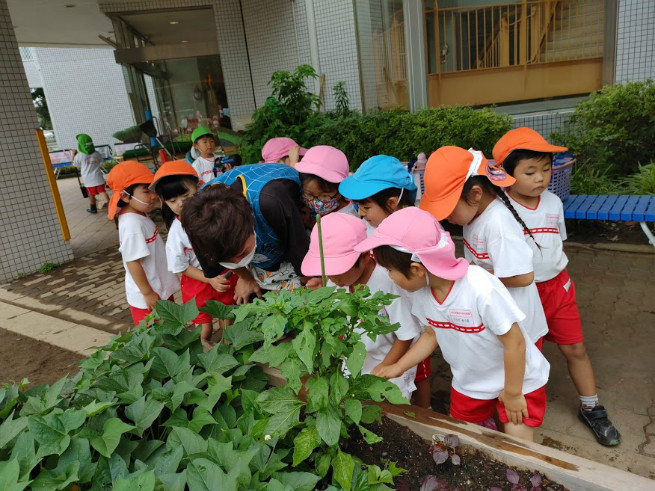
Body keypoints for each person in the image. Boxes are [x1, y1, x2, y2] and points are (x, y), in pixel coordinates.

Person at [359, 207, 550, 442]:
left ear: (417, 269)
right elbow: (430, 334)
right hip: (470, 382)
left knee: (519, 447)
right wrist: (399, 366)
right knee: (463, 439)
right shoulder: (421, 293)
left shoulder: (480, 287)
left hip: (518, 378)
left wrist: (512, 393)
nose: (388, 276)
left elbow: (515, 343)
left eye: (390, 270)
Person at [493, 127, 621, 447]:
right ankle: (515, 418)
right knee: (523, 356)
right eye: (530, 171)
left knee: (575, 348)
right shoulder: (499, 211)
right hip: (522, 295)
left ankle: (591, 407)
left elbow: (555, 247)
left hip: (558, 289)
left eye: (547, 169)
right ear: (508, 174)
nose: (541, 178)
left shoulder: (552, 203)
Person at [419, 146, 549, 348]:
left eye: (449, 209)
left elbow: (523, 277)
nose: (447, 218)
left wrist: (473, 275)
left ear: (476, 194)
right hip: (500, 318)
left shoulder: (498, 223)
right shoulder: (472, 217)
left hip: (521, 329)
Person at [339, 155, 433, 407]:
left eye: (366, 207)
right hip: (392, 309)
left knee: (420, 368)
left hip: (417, 310)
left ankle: (426, 411)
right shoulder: (373, 225)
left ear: (392, 202)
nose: (361, 213)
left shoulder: (417, 228)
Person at [301, 213, 421, 399]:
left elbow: (405, 335)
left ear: (365, 256)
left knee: (391, 413)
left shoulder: (388, 281)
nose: (333, 278)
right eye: (328, 272)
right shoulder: (334, 282)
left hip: (387, 365)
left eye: (338, 271)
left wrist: (383, 370)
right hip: (353, 363)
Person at [181, 163, 310, 302]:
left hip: (291, 219)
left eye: (243, 254)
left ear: (252, 222)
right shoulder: (198, 221)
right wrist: (245, 276)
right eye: (228, 261)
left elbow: (301, 255)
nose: (238, 262)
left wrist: (308, 286)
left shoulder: (272, 202)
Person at [150, 160, 238, 349]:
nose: (181, 203)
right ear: (163, 202)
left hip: (224, 276)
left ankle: (229, 348)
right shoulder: (176, 232)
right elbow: (180, 267)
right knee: (203, 327)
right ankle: (205, 352)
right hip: (198, 282)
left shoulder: (214, 212)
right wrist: (209, 279)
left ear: (198, 187)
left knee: (227, 315)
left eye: (186, 195)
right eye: (172, 201)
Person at [106, 161, 179, 326]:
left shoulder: (139, 215)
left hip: (159, 289)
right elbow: (133, 262)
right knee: (160, 341)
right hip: (150, 297)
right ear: (125, 196)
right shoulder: (132, 225)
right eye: (147, 191)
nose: (153, 195)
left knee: (172, 332)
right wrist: (147, 293)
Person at [295, 145, 358, 219]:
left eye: (324, 196)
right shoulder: (331, 212)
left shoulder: (346, 220)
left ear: (341, 189)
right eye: (309, 194)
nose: (316, 203)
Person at [72, 133, 110, 214]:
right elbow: (101, 161)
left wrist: (73, 154)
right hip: (98, 177)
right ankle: (110, 207)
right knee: (102, 191)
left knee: (91, 193)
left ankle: (93, 208)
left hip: (88, 179)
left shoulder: (79, 155)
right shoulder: (96, 153)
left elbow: (75, 164)